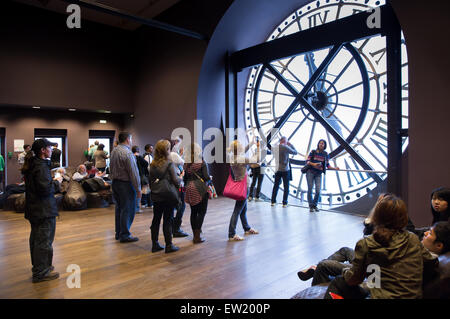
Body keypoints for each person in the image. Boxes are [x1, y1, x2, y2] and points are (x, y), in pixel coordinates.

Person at [323, 193, 437, 299]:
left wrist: (345, 272)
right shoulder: (412, 239)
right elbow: (431, 262)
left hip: (380, 294)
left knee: (338, 282)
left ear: (377, 215)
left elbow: (353, 279)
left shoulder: (366, 243)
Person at [21, 138, 62, 283]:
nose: (52, 149)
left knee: (36, 239)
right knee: (44, 241)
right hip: (43, 209)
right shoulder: (40, 167)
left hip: (35, 209)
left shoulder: (34, 164)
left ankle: (40, 266)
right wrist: (57, 181)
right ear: (43, 150)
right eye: (49, 147)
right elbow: (46, 189)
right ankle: (41, 272)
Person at [149, 139, 182, 253]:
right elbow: (175, 180)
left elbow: (151, 181)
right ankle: (169, 245)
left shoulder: (152, 164)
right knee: (168, 219)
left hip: (156, 194)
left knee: (156, 219)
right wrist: (180, 178)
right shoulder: (169, 163)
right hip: (168, 195)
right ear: (166, 150)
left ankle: (155, 244)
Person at [110, 132, 141, 243]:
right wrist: (138, 189)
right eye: (131, 139)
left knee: (119, 209)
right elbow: (133, 173)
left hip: (115, 183)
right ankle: (125, 234)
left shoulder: (114, 151)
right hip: (125, 184)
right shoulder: (127, 153)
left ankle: (119, 233)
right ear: (128, 139)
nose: (131, 141)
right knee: (127, 209)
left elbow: (111, 168)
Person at [227, 139, 260, 241]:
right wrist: (259, 148)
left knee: (243, 210)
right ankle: (232, 234)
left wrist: (251, 143)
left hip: (240, 185)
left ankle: (247, 228)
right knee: (237, 210)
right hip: (243, 187)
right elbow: (255, 159)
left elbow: (242, 151)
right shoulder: (241, 159)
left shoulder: (233, 156)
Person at [183, 143, 210, 244]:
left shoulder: (187, 163)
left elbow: (185, 178)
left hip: (189, 187)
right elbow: (206, 177)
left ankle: (195, 234)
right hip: (200, 188)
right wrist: (209, 179)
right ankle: (197, 237)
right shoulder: (202, 162)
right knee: (202, 212)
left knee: (193, 212)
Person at [305, 139, 339, 212]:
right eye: (320, 143)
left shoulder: (325, 154)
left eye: (322, 143)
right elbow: (307, 161)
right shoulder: (313, 152)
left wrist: (334, 168)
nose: (321, 144)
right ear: (318, 144)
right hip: (311, 172)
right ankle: (312, 206)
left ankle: (313, 205)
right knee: (311, 189)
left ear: (324, 145)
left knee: (317, 190)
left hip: (316, 173)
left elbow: (327, 165)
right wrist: (314, 164)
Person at [271, 136, 297, 207]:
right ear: (284, 141)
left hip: (277, 169)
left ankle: (273, 201)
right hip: (285, 170)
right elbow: (295, 152)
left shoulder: (275, 148)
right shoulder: (285, 147)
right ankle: (284, 203)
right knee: (286, 187)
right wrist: (290, 145)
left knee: (276, 186)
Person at [170, 139, 188, 237]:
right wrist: (181, 154)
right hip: (179, 184)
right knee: (182, 204)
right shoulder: (174, 155)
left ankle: (174, 227)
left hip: (179, 184)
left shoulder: (172, 155)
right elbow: (183, 163)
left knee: (178, 204)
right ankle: (176, 228)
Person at [132, 145, 149, 214]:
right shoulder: (139, 157)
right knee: (139, 192)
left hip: (131, 176)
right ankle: (137, 208)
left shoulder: (130, 157)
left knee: (133, 192)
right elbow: (146, 164)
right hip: (139, 176)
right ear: (138, 150)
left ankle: (133, 207)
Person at [248, 137, 266, 202]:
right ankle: (257, 197)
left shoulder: (256, 150)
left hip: (255, 168)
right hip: (262, 168)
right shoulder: (263, 151)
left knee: (253, 182)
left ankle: (250, 196)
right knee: (259, 183)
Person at [142, 144, 154, 208]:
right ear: (148, 149)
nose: (152, 149)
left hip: (146, 175)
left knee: (146, 189)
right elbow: (149, 167)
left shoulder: (145, 156)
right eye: (151, 148)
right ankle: (147, 203)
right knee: (147, 189)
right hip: (148, 175)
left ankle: (146, 203)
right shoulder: (148, 156)